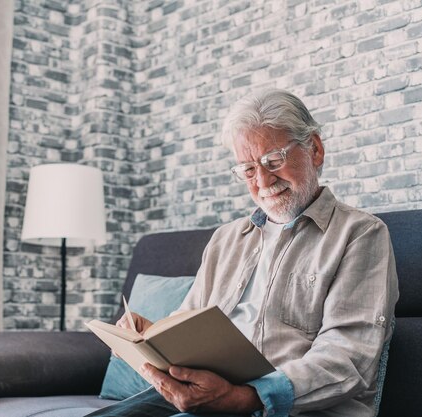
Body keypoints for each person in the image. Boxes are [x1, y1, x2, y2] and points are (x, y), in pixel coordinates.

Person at [86, 89, 399, 417]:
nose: (263, 180)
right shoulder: (226, 239)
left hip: (287, 408)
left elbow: (348, 358)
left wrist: (246, 397)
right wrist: (149, 336)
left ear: (315, 150)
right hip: (207, 394)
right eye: (248, 169)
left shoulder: (361, 234)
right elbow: (188, 321)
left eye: (273, 161)